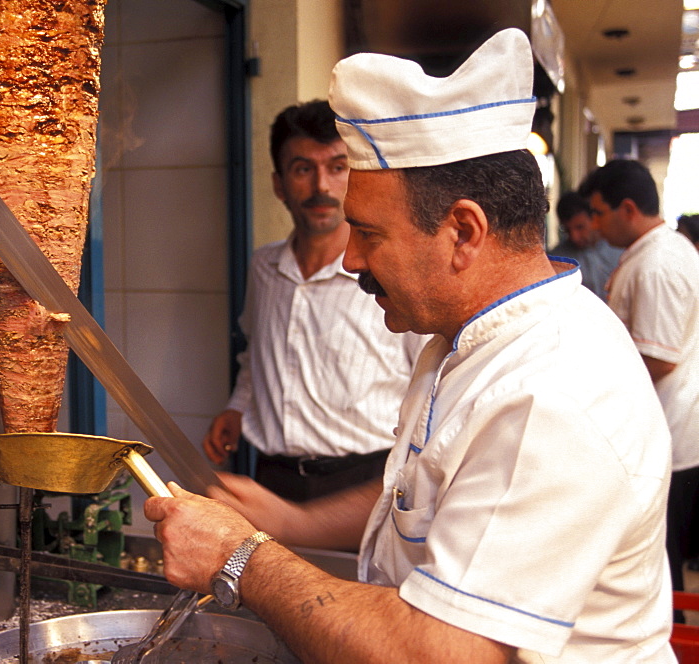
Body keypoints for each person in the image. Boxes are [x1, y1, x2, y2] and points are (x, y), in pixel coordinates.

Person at [147, 29, 674, 663]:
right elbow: (430, 489)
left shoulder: (551, 394)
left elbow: (441, 654)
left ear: (463, 232)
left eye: (368, 233)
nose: (351, 258)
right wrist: (295, 525)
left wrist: (241, 558)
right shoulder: (464, 339)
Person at [202, 100, 426, 502]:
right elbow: (257, 353)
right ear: (279, 183)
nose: (321, 186)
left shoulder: (392, 276)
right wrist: (237, 408)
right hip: (272, 478)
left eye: (338, 167)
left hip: (364, 483)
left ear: (354, 177)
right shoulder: (263, 267)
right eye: (303, 169)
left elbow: (431, 382)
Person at [579, 160, 699, 602]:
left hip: (670, 433)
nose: (594, 223)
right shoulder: (657, 252)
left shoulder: (658, 263)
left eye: (598, 212)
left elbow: (658, 358)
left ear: (627, 209)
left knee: (658, 564)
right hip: (665, 430)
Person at [547, 190, 622, 298]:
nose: (574, 237)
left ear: (594, 219)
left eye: (580, 227)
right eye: (567, 230)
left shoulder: (619, 248)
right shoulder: (558, 261)